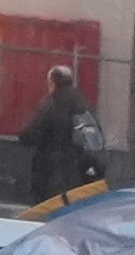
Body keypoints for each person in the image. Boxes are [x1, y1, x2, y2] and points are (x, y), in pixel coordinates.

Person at [13, 62, 106, 203]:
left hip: (54, 171)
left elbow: (32, 134)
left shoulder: (53, 104)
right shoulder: (83, 104)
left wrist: (21, 136)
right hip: (81, 172)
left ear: (52, 83)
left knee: (49, 210)